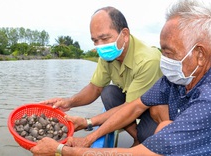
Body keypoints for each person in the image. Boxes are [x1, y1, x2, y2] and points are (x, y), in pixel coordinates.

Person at [31, 0, 211, 155]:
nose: (163, 59)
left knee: (160, 130)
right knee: (163, 126)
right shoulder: (180, 76)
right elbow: (134, 106)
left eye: (168, 52)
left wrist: (61, 150)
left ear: (200, 55)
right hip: (177, 130)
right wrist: (88, 130)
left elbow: (139, 154)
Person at [42, 6, 163, 145]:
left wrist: (88, 127)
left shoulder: (148, 60)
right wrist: (69, 102)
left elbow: (131, 108)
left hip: (153, 109)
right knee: (109, 92)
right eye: (95, 40)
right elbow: (95, 88)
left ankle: (142, 138)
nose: (100, 46)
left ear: (124, 35)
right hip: (131, 102)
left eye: (104, 38)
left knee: (149, 134)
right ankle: (136, 137)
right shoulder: (107, 56)